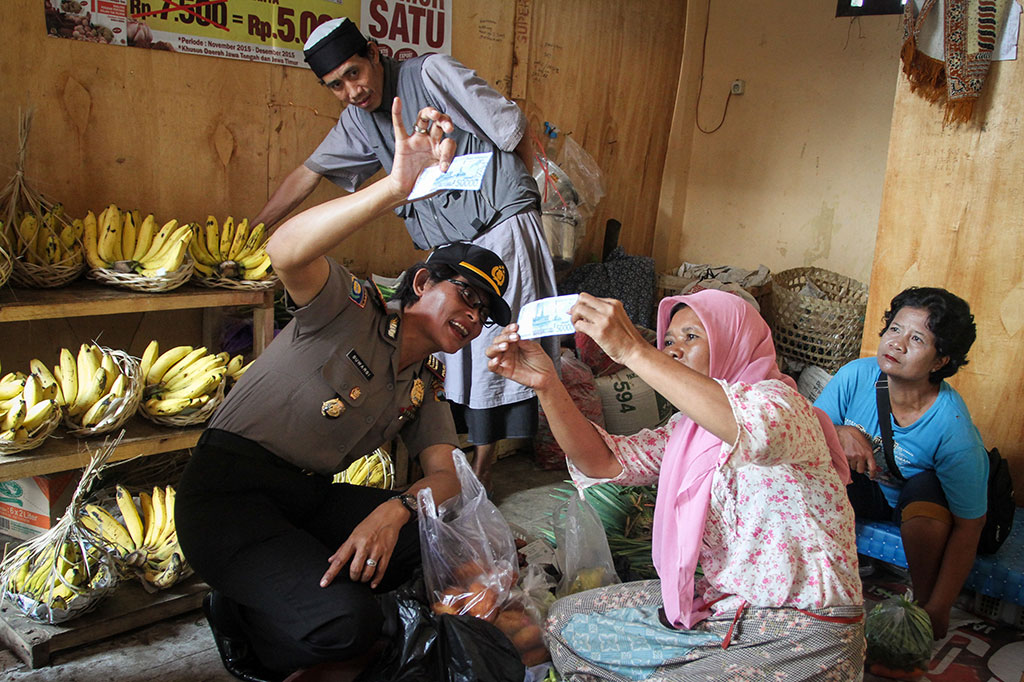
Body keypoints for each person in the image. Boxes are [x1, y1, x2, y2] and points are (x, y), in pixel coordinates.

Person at [175, 97, 515, 681]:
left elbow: (445, 475)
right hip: (227, 496)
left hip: (306, 500)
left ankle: (292, 599)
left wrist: (393, 508)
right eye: (466, 295)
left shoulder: (421, 386)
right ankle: (249, 618)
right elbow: (284, 250)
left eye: (484, 313)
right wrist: (392, 189)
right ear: (425, 281)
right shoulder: (347, 309)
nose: (473, 316)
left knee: (433, 539)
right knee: (350, 627)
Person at [486, 289, 865, 680]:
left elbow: (751, 430)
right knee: (567, 620)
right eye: (668, 340)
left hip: (802, 630)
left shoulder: (783, 407)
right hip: (721, 611)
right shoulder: (687, 431)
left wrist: (635, 351)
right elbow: (602, 461)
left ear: (733, 341)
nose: (673, 350)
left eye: (692, 337)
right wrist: (547, 385)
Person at [253, 17, 559, 491]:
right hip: (451, 248)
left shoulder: (430, 73)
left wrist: (519, 198)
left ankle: (483, 470)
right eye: (335, 85)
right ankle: (457, 470)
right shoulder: (357, 119)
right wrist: (256, 227)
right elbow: (308, 173)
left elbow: (509, 125)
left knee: (498, 344)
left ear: (374, 53)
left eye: (354, 73)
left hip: (500, 222)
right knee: (458, 353)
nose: (350, 90)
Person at [815, 286, 985, 639]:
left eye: (917, 339)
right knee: (809, 469)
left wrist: (938, 609)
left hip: (917, 504)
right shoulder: (856, 376)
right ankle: (818, 588)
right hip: (867, 488)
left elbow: (970, 527)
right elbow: (805, 434)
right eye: (894, 329)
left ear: (941, 361)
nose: (897, 343)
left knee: (925, 493)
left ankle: (923, 600)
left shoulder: (952, 428)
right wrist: (837, 430)